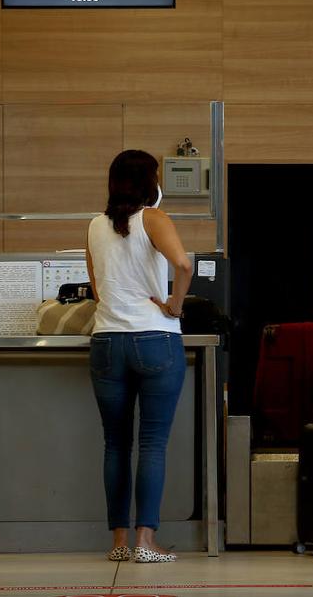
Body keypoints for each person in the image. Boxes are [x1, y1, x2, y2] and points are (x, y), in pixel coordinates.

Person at [87, 149, 194, 564]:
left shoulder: (95, 226)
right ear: (150, 181)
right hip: (155, 338)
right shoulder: (154, 218)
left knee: (115, 444)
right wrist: (174, 306)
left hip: (107, 342)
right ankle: (146, 542)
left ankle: (118, 542)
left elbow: (98, 289)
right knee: (152, 443)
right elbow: (184, 265)